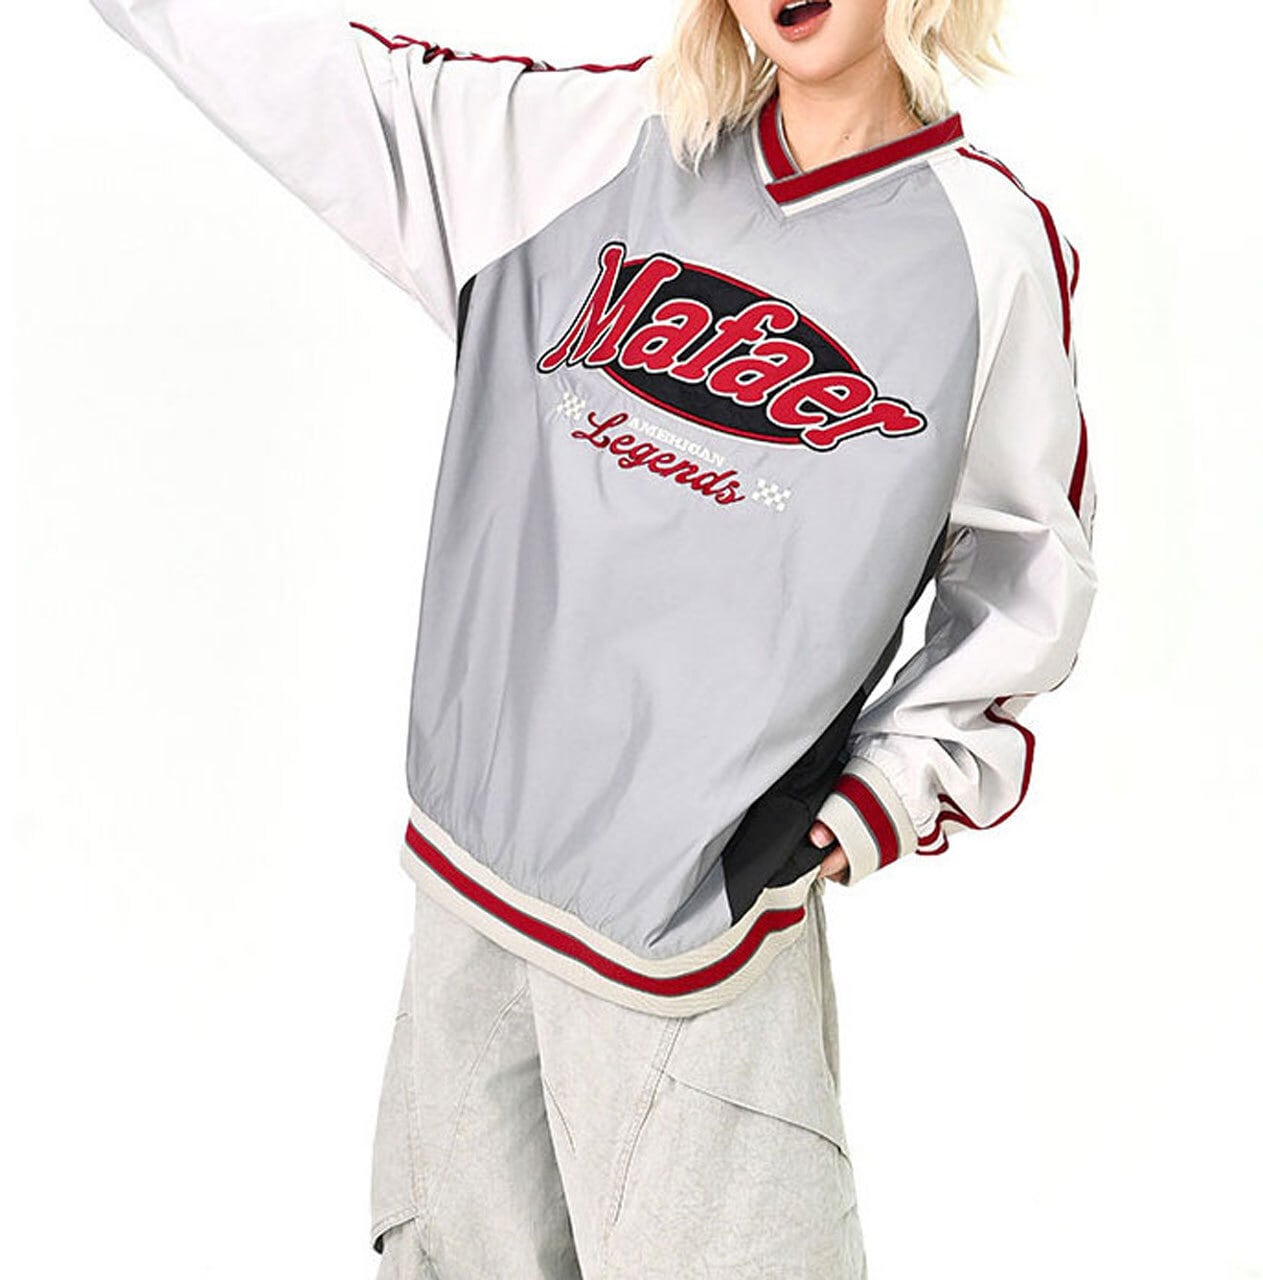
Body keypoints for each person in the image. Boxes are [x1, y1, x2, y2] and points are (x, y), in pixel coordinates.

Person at [85, 0, 1099, 1274]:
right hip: (470, 906)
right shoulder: (596, 146)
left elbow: (1022, 576)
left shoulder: (985, 249)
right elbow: (334, 88)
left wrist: (878, 797)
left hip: (689, 953)